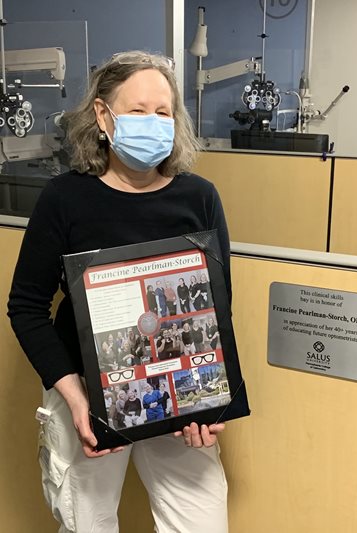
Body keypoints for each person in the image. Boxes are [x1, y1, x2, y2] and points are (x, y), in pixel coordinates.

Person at [8, 50, 230, 533]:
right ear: (104, 116)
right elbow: (26, 307)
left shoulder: (200, 198)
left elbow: (216, 308)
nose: (152, 122)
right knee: (86, 524)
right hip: (85, 394)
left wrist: (212, 402)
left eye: (162, 112)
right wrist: (76, 398)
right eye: (136, 111)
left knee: (203, 522)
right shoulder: (64, 199)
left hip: (180, 394)